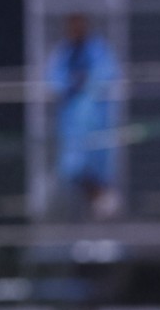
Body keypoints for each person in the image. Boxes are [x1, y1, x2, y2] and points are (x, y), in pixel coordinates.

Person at [46, 13, 121, 220]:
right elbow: (54, 81)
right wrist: (71, 83)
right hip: (72, 126)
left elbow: (108, 76)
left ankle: (103, 205)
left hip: (97, 122)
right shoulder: (64, 53)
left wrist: (86, 82)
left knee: (99, 168)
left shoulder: (98, 51)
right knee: (73, 170)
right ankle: (95, 204)